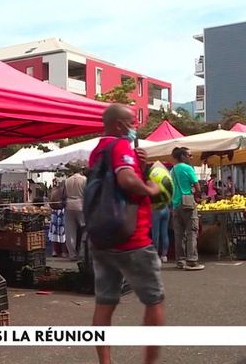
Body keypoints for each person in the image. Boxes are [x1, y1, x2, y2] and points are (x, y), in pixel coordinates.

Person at [88, 104, 164, 364]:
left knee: (104, 304)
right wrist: (151, 188)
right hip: (132, 239)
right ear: (119, 125)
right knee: (154, 301)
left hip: (101, 239)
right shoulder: (120, 146)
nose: (135, 127)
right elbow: (126, 182)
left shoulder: (97, 151)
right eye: (131, 122)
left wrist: (136, 164)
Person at [170, 147, 204, 271]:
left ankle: (180, 261)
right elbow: (197, 187)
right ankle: (192, 261)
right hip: (188, 203)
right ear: (183, 156)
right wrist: (196, 193)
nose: (191, 157)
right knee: (191, 232)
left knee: (179, 234)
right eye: (190, 155)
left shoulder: (172, 171)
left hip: (175, 204)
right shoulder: (188, 168)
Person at [64, 166, 87, 261]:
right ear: (81, 171)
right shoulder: (84, 179)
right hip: (81, 204)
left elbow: (64, 194)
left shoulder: (67, 180)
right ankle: (82, 253)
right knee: (85, 229)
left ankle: (72, 254)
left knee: (70, 231)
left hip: (69, 205)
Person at [48, 178, 67, 258]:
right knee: (63, 231)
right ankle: (63, 251)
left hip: (54, 212)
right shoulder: (64, 189)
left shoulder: (53, 189)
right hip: (62, 211)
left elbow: (50, 199)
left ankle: (54, 251)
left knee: (54, 231)